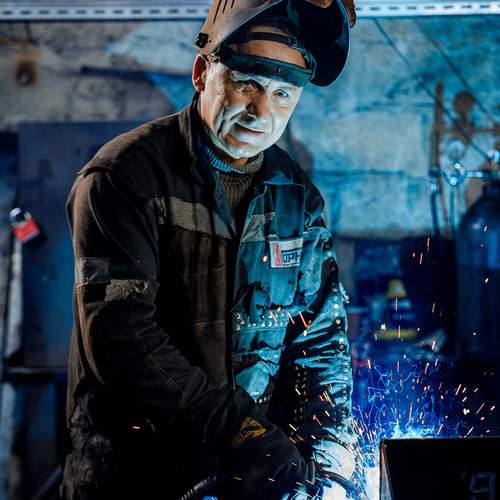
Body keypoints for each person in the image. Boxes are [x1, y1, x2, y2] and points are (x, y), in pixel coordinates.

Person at [61, 1, 359, 499]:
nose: (262, 112)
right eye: (248, 84)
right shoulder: (124, 176)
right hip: (136, 478)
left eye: (283, 94)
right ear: (203, 73)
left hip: (244, 480)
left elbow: (319, 338)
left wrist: (328, 462)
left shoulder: (295, 196)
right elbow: (121, 335)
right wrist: (243, 433)